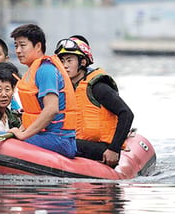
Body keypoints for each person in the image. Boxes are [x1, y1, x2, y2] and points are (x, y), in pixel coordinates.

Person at [55, 35, 134, 167]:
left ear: (83, 62)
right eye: (62, 61)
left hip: (102, 147)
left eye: (69, 61)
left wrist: (114, 149)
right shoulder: (66, 88)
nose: (65, 66)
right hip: (79, 143)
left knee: (59, 143)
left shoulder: (98, 87)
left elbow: (126, 113)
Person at [9, 24, 77, 158]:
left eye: (22, 45)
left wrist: (23, 135)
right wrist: (20, 130)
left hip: (59, 139)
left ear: (38, 46)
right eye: (16, 46)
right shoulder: (34, 70)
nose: (18, 50)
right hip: (48, 136)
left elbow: (51, 109)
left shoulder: (45, 70)